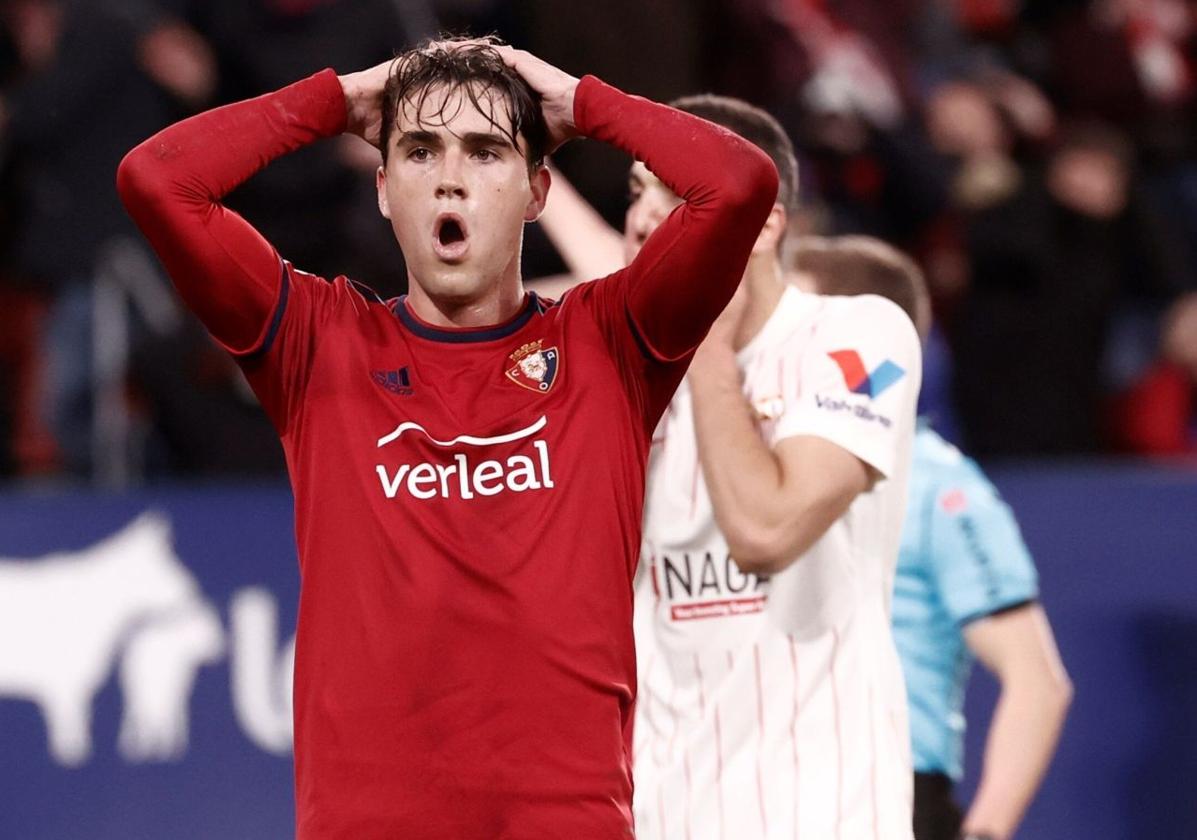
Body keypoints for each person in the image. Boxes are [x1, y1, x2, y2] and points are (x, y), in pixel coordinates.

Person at [117, 37, 778, 837]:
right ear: (384, 188)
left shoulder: (613, 340)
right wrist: (337, 99)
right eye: (420, 151)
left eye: (486, 151)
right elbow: (157, 181)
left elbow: (738, 184)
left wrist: (581, 101)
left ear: (538, 190)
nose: (451, 177)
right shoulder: (317, 343)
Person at [533, 97, 922, 839]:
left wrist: (703, 342)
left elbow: (765, 531)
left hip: (824, 815)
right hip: (660, 813)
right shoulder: (615, 372)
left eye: (675, 193)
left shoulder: (856, 338)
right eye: (635, 193)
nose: (643, 218)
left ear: (763, 220)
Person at [798, 238, 1074, 840]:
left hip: (896, 799)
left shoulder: (940, 489)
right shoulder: (770, 470)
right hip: (778, 786)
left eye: (799, 317)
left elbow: (1038, 682)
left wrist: (986, 831)